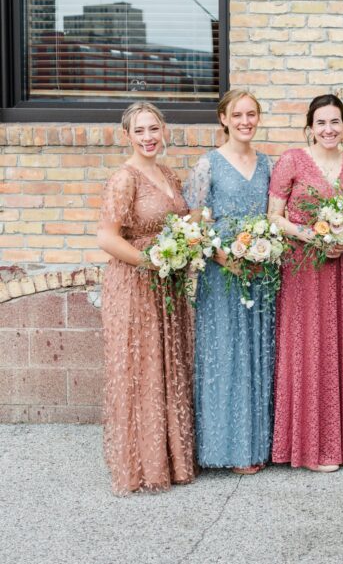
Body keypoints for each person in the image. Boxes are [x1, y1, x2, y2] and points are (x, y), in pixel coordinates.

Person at [96, 102, 195, 495]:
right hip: (135, 284)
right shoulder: (125, 179)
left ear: (164, 130)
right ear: (127, 136)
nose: (148, 137)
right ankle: (143, 466)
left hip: (166, 284)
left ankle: (171, 459)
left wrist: (193, 230)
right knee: (142, 369)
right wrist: (151, 262)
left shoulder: (168, 173)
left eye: (154, 129)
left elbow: (178, 223)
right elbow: (106, 238)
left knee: (167, 365)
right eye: (140, 131)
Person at [268, 94, 343, 472]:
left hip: (339, 270)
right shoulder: (292, 160)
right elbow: (273, 217)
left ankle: (336, 442)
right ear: (309, 128)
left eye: (336, 122)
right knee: (305, 348)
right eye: (321, 123)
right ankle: (306, 445)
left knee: (335, 347)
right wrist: (311, 234)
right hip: (301, 269)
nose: (329, 129)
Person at [184, 90, 275, 475]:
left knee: (257, 353)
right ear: (223, 119)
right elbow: (193, 225)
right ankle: (225, 447)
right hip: (222, 275)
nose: (245, 121)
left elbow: (273, 217)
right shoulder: (208, 164)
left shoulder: (268, 163)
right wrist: (223, 256)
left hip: (260, 272)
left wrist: (263, 251)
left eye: (251, 114)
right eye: (237, 114)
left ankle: (255, 445)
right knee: (225, 356)